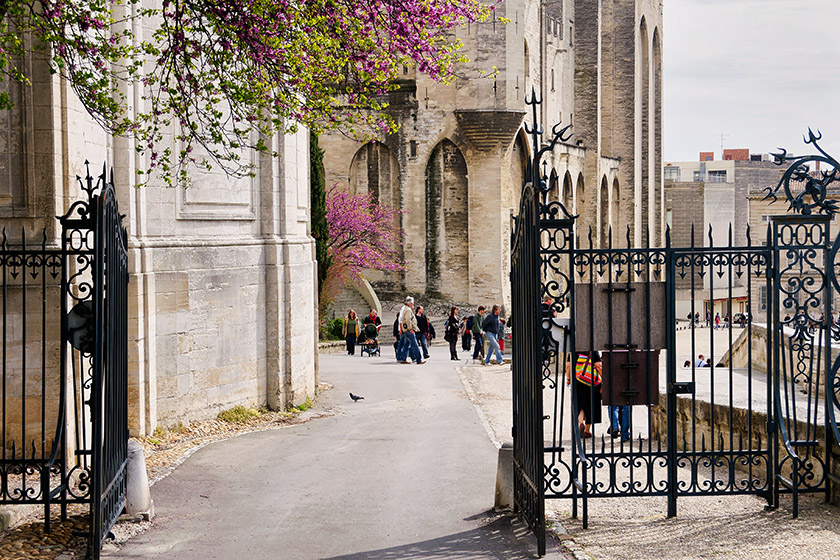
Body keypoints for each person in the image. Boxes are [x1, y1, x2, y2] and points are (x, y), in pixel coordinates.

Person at [566, 351, 603, 439]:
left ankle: (580, 423)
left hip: (577, 380)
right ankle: (587, 430)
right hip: (592, 381)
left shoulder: (573, 350)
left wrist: (568, 379)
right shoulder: (593, 350)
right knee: (591, 404)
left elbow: (568, 366)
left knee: (580, 403)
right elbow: (598, 365)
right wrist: (604, 378)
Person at [397, 296, 425, 365]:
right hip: (408, 330)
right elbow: (408, 320)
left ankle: (403, 358)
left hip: (405, 330)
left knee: (406, 344)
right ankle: (419, 359)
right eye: (412, 303)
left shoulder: (405, 309)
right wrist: (411, 328)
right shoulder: (408, 310)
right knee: (414, 344)